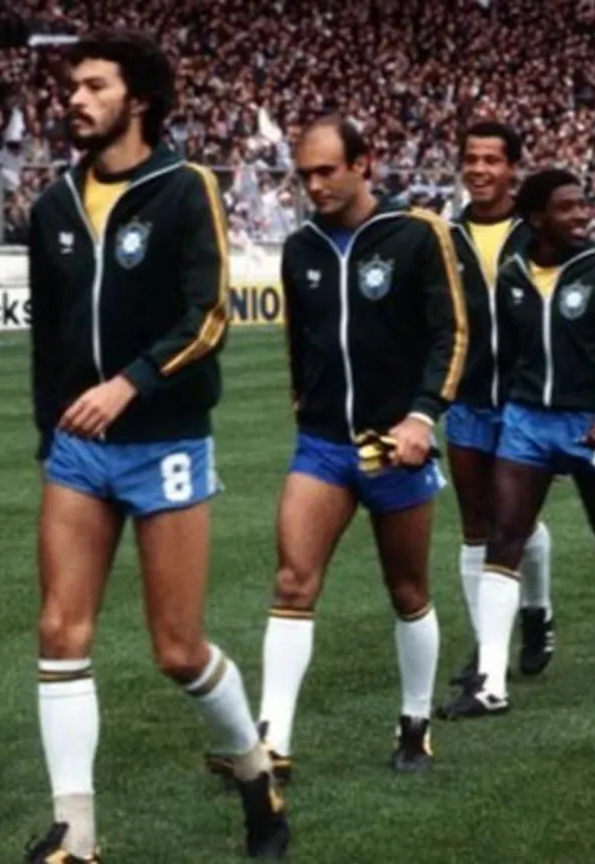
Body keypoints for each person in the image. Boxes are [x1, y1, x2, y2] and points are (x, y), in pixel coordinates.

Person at [24, 28, 287, 860]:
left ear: (137, 98)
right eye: (73, 85)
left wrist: (129, 382)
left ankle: (254, 773)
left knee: (177, 649)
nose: (75, 98)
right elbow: (46, 336)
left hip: (164, 440)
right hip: (77, 449)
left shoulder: (184, 189)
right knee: (61, 633)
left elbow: (208, 314)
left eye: (94, 85)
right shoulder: (52, 204)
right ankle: (78, 836)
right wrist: (51, 432)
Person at [214, 115, 465, 781]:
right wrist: (310, 415)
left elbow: (452, 333)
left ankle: (415, 723)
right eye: (305, 175)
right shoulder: (300, 249)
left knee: (407, 588)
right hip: (323, 444)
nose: (315, 185)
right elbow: (300, 346)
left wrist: (421, 417)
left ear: (365, 163)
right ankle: (272, 744)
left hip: (394, 442)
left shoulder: (418, 234)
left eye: (327, 171)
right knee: (293, 582)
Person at [438, 168, 595, 719]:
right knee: (503, 538)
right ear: (537, 218)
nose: (583, 215)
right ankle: (490, 682)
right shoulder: (513, 275)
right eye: (568, 208)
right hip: (526, 425)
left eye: (585, 205)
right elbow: (510, 354)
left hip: (591, 428)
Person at [442, 121, 555, 688]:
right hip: (465, 400)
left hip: (523, 401)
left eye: (492, 160)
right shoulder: (444, 235)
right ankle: (487, 648)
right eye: (471, 158)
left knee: (517, 521)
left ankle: (536, 615)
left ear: (513, 168)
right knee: (474, 526)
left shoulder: (536, 236)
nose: (480, 169)